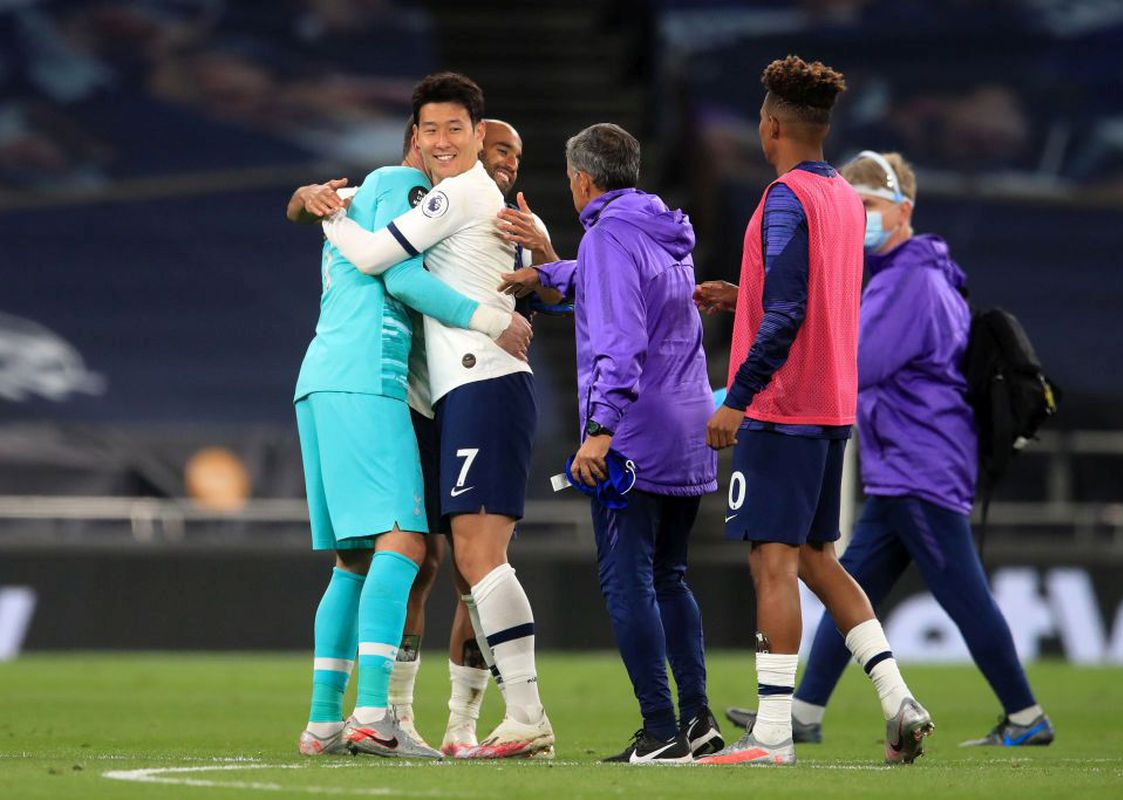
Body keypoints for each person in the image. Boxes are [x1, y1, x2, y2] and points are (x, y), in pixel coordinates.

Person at [727, 151, 1054, 749]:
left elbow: (856, 364)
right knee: (839, 577)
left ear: (903, 210)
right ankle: (804, 710)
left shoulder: (911, 279)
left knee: (961, 592)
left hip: (920, 463)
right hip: (902, 461)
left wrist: (740, 386)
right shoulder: (906, 273)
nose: (859, 217)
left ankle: (1027, 714)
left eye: (869, 205)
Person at [288, 115, 561, 757]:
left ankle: (371, 720)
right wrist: (311, 202)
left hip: (405, 387)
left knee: (414, 558)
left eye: (513, 155)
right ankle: (385, 715)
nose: (502, 163)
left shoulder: (502, 215)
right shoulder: (413, 190)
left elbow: (558, 298)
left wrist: (546, 262)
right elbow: (395, 271)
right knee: (417, 552)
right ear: (425, 140)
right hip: (395, 390)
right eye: (488, 146)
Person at [695, 56, 933, 766]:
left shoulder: (782, 200)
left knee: (773, 563)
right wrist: (745, 297)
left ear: (771, 126)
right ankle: (898, 698)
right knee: (815, 559)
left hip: (782, 407)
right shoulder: (840, 199)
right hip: (831, 406)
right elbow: (814, 296)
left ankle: (771, 734)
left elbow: (792, 310)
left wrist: (736, 399)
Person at [503, 123, 724, 763]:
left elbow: (620, 342)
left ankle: (660, 731)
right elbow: (624, 286)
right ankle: (699, 721)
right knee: (671, 578)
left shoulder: (606, 234)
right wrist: (552, 274)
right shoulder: (663, 228)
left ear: (581, 179)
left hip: (633, 436)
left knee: (627, 584)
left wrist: (599, 432)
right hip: (687, 426)